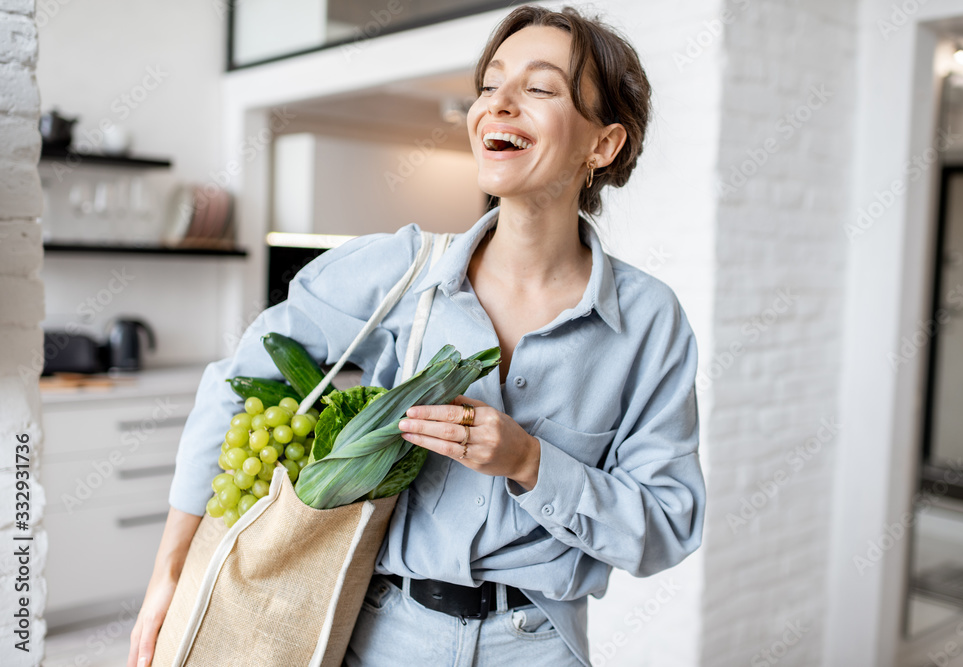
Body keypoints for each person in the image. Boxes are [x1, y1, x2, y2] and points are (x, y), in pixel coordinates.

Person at [127, 5, 705, 667]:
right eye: (489, 85)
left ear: (602, 146)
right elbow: (235, 382)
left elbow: (667, 525)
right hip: (380, 636)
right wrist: (169, 570)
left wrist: (530, 462)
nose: (498, 104)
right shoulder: (400, 274)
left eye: (539, 88)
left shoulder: (647, 322)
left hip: (538, 647)